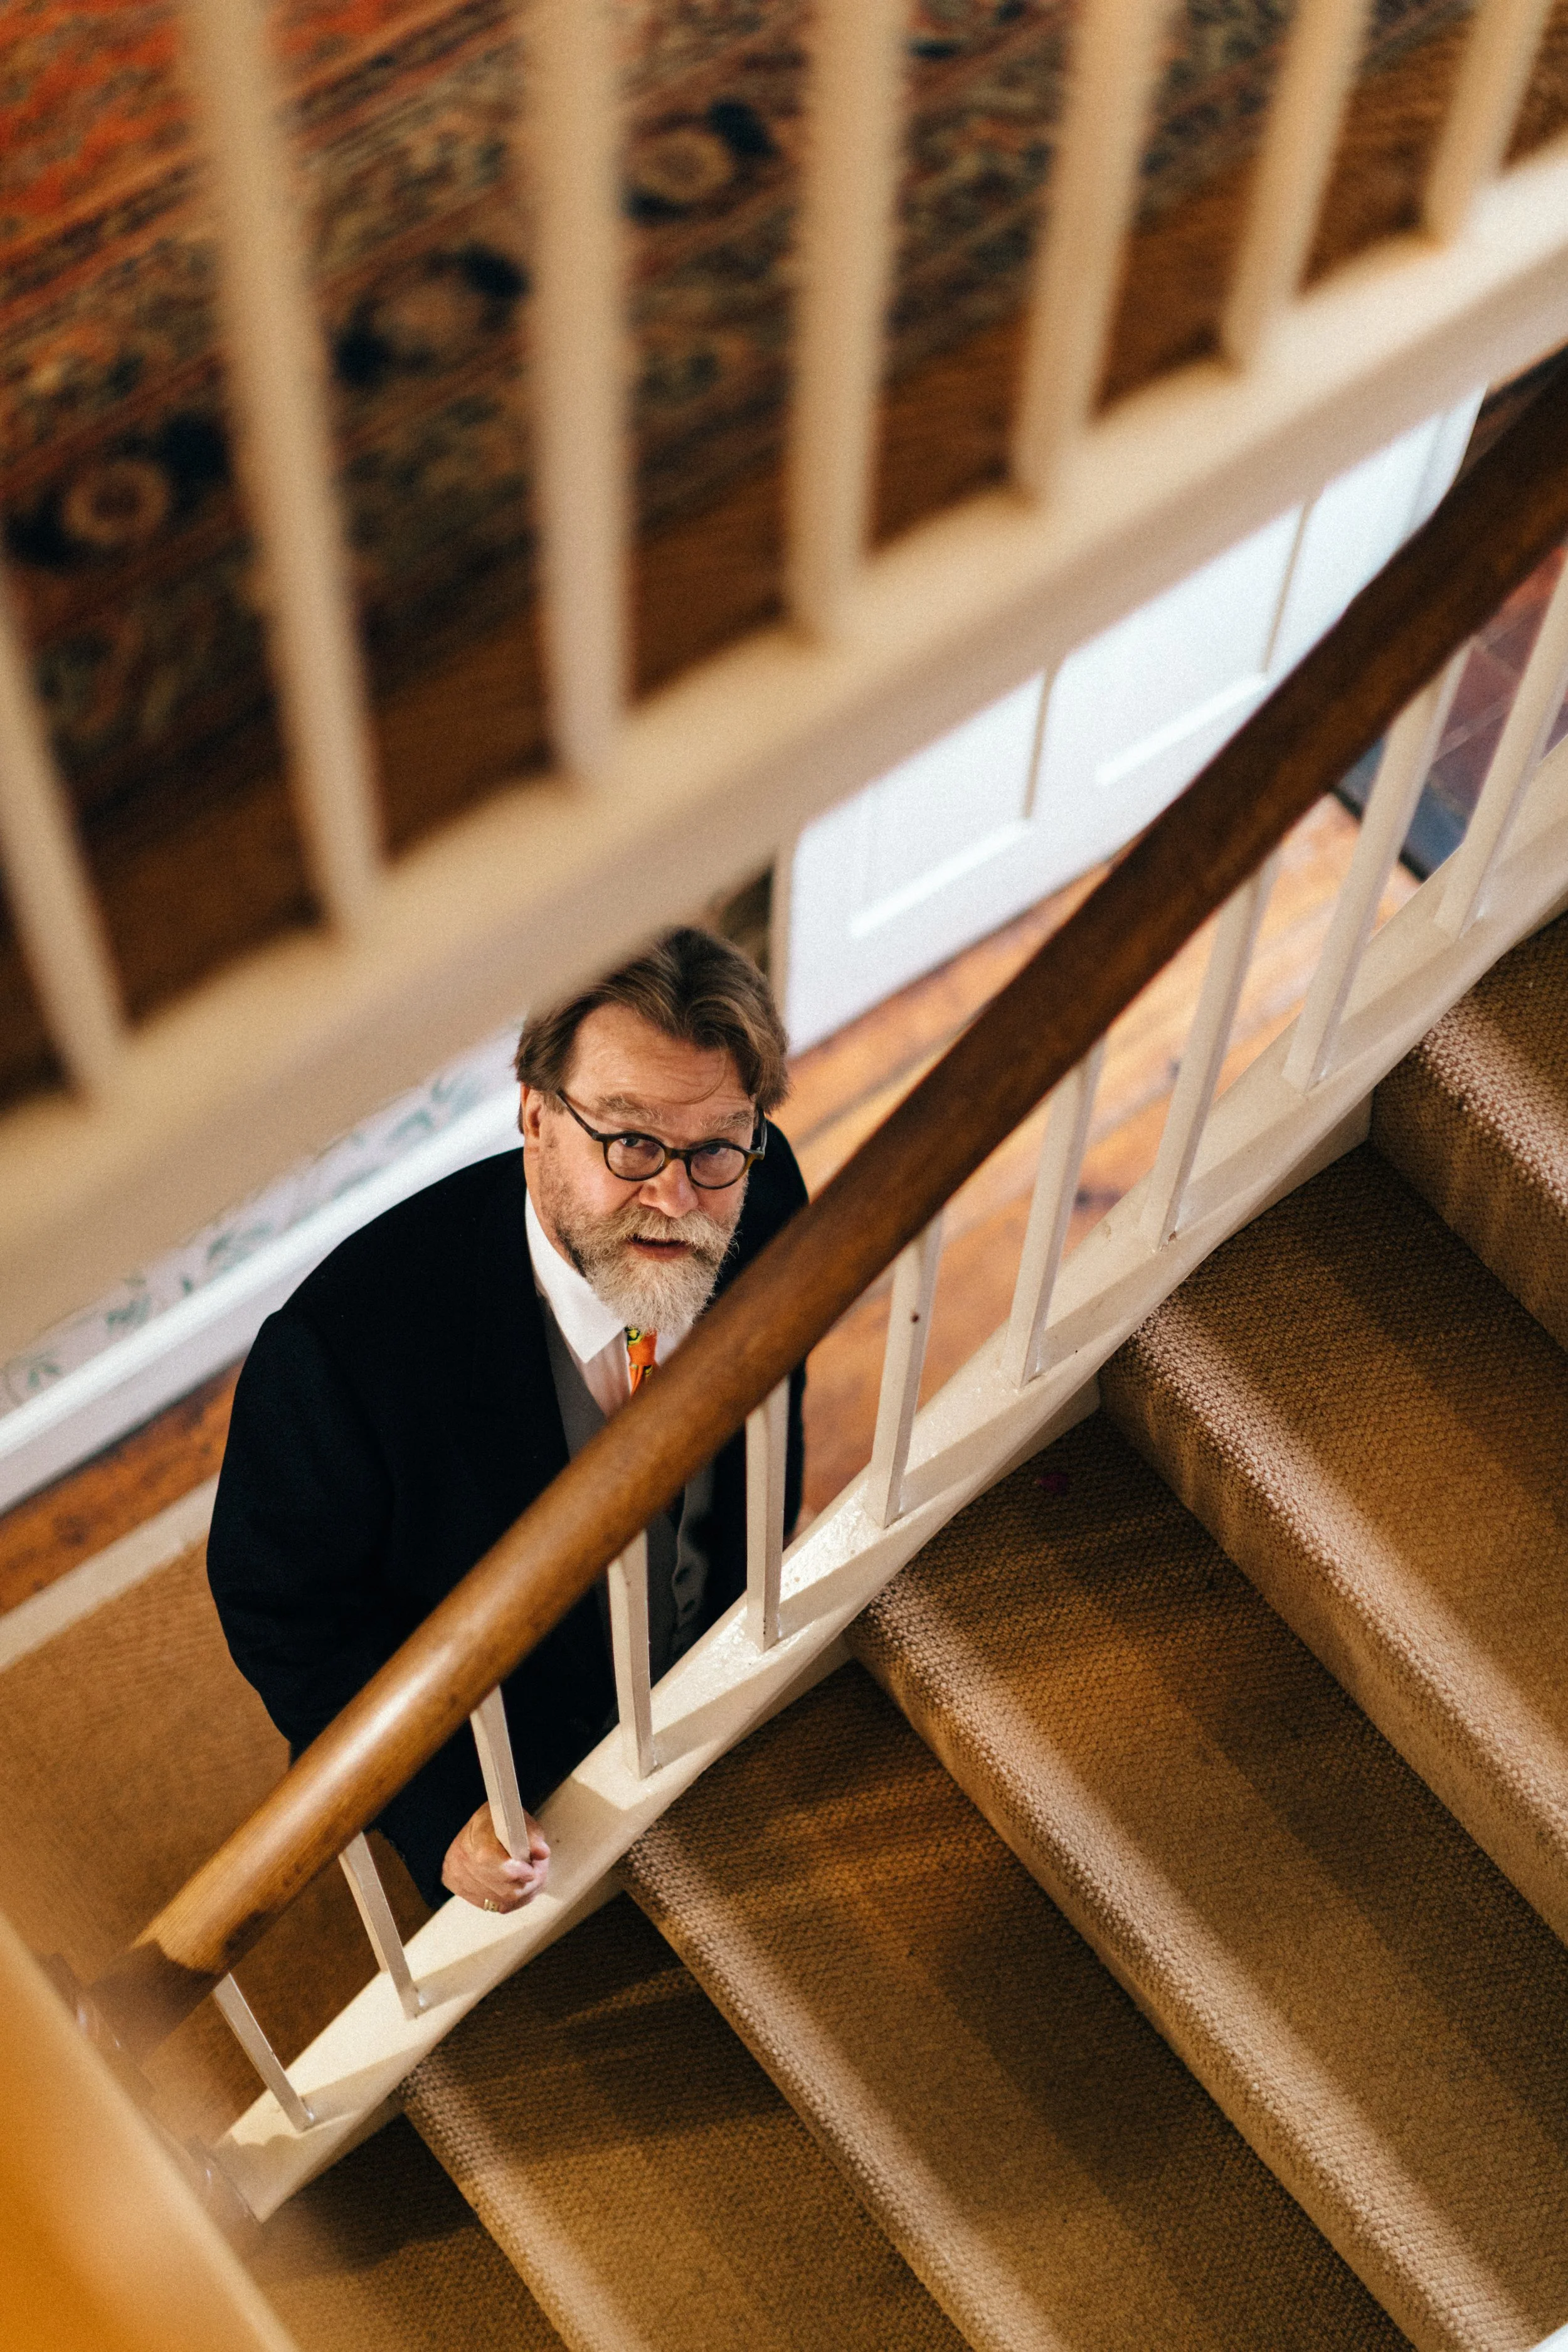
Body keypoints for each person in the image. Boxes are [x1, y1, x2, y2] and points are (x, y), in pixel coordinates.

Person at [207, 928, 806, 1916]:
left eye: (714, 1146)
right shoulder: (337, 1355)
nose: (674, 1195)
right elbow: (287, 1616)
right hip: (519, 1774)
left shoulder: (765, 1193)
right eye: (629, 1138)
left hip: (719, 1677)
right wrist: (443, 1817)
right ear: (534, 1114)